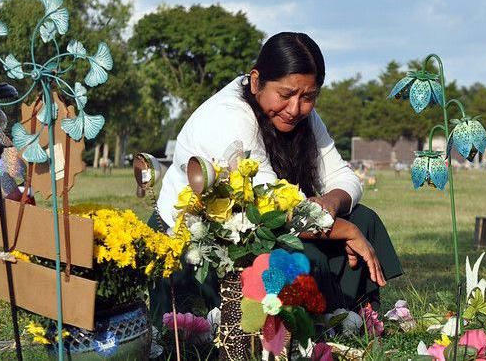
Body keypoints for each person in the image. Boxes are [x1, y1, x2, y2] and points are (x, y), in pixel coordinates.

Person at [152, 32, 402, 320]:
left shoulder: (302, 116)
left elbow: (344, 176)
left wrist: (332, 203)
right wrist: (345, 230)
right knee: (308, 251)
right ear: (256, 81)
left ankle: (357, 310)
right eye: (285, 95)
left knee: (364, 217)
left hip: (267, 222)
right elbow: (268, 207)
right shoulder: (228, 117)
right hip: (201, 243)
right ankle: (322, 324)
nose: (295, 109)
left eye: (308, 97)